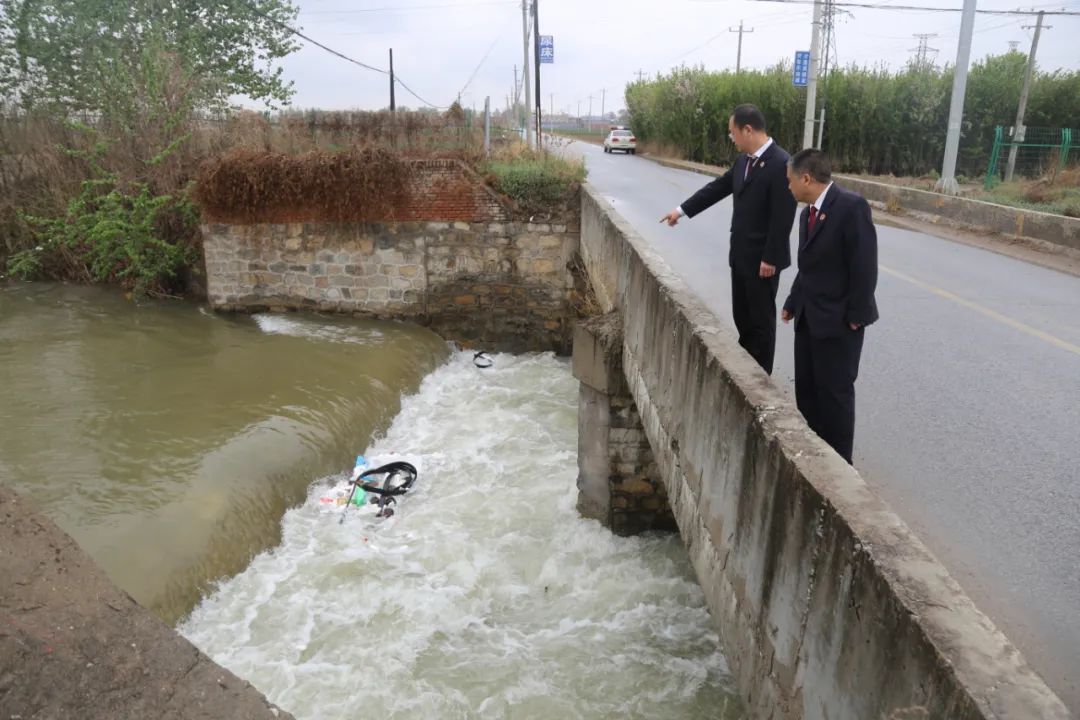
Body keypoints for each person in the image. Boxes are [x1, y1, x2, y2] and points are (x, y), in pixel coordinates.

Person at [661, 103, 797, 375]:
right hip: (741, 254)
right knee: (743, 316)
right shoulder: (743, 161)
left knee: (760, 321)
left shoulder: (781, 163)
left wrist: (770, 257)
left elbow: (783, 217)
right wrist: (682, 210)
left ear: (748, 130)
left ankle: (761, 377)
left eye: (732, 133)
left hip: (763, 260)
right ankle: (745, 370)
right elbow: (717, 189)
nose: (731, 138)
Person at [781, 148, 879, 464]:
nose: (789, 187)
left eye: (790, 181)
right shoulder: (806, 214)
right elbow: (808, 266)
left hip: (838, 323)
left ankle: (839, 468)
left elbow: (864, 266)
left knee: (834, 397)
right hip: (809, 319)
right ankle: (817, 458)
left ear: (806, 178)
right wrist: (793, 301)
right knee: (807, 394)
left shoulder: (851, 207)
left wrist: (856, 317)